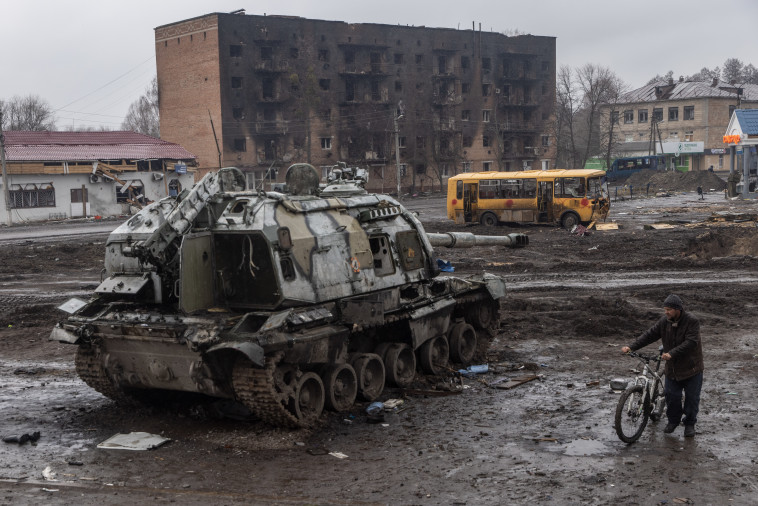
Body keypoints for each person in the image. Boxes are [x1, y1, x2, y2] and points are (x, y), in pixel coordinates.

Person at [621, 294, 704, 437]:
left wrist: (672, 353)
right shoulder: (664, 322)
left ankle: (690, 424)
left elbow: (691, 342)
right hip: (672, 368)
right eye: (665, 309)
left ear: (678, 309)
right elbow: (649, 335)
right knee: (671, 396)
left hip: (692, 369)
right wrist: (632, 347)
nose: (666, 312)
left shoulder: (692, 321)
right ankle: (673, 421)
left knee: (692, 399)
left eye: (669, 309)